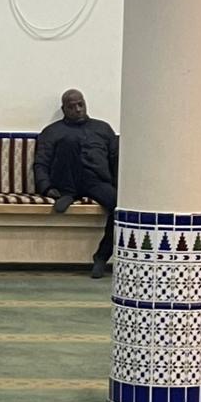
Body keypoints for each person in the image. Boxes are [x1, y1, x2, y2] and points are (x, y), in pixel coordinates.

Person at [33, 88, 119, 279]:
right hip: (65, 181)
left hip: (96, 181)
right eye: (72, 107)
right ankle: (68, 195)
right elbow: (41, 163)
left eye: (81, 104)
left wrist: (117, 186)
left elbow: (115, 159)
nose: (78, 109)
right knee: (69, 141)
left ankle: (101, 256)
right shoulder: (52, 132)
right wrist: (47, 187)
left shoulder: (103, 129)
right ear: (64, 109)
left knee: (119, 208)